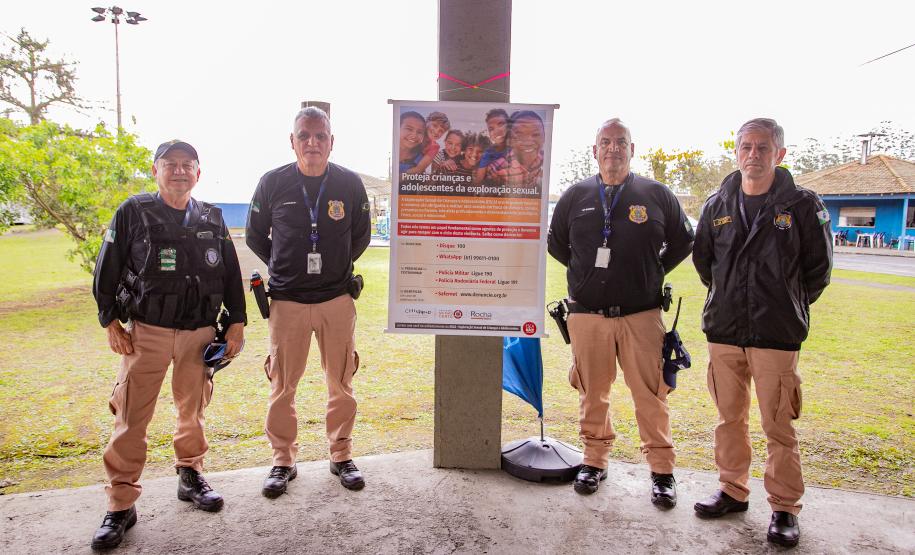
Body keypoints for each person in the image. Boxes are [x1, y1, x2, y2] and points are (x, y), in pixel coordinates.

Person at [90, 140, 246, 550]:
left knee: (192, 410)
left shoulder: (212, 216)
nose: (179, 171)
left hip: (199, 333)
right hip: (149, 331)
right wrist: (110, 320)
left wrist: (236, 323)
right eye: (170, 164)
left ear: (199, 171)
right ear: (156, 170)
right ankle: (121, 503)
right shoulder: (133, 211)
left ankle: (190, 475)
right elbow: (106, 267)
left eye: (187, 165)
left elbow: (230, 272)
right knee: (131, 417)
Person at [692, 118, 832, 548]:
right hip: (725, 330)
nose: (753, 155)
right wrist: (731, 300)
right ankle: (733, 491)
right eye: (746, 147)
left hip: (776, 333)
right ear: (736, 152)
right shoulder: (717, 205)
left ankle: (785, 507)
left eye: (763, 147)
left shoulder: (804, 205)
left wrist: (784, 303)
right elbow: (704, 265)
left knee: (778, 425)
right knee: (729, 420)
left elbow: (818, 271)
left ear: (780, 154)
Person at [547, 118, 694, 507]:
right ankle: (594, 462)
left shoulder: (656, 194)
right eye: (606, 142)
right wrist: (588, 274)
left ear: (633, 149)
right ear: (594, 151)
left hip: (641, 314)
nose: (613, 149)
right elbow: (557, 245)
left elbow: (683, 241)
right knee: (592, 392)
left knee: (650, 394)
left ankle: (662, 471)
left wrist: (652, 269)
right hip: (587, 315)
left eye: (621, 142)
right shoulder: (574, 196)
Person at [246, 106, 371, 497]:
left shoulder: (349, 184)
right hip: (287, 302)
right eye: (305, 135)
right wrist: (284, 267)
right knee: (283, 385)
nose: (312, 143)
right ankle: (282, 460)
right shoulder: (273, 183)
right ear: (292, 140)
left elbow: (360, 237)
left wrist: (333, 267)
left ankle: (341, 455)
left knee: (341, 381)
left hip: (336, 299)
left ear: (331, 142)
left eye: (320, 136)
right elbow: (254, 236)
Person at [486, 110, 545, 188]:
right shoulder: (496, 169)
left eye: (536, 134)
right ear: (510, 140)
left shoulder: (546, 161)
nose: (528, 141)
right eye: (520, 135)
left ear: (544, 137)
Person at [473, 108, 509, 184]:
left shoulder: (518, 147)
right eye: (491, 129)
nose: (496, 131)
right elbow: (478, 182)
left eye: (501, 124)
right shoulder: (488, 153)